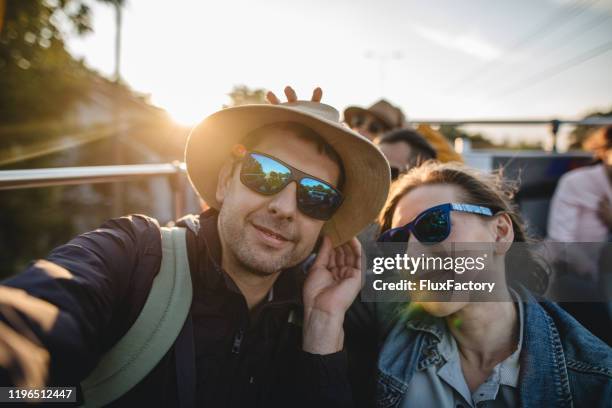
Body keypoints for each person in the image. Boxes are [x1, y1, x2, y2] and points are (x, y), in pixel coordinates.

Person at [0, 87, 391, 407]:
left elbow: (442, 288)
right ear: (225, 182)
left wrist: (323, 325)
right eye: (265, 174)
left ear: (326, 220)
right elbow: (36, 316)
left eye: (316, 196)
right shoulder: (137, 256)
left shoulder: (324, 305)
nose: (285, 207)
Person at [374, 162, 612, 407]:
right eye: (398, 241)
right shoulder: (381, 335)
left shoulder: (596, 381)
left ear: (499, 232)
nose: (412, 255)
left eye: (434, 224)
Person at [546, 125, 612, 345]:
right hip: (571, 265)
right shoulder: (576, 182)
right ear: (604, 151)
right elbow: (560, 238)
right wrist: (590, 272)